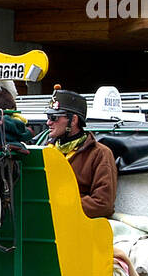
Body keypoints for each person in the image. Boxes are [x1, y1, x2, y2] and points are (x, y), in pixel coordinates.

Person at [42, 88, 117, 219]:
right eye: (48, 117)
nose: (49, 122)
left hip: (77, 225)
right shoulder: (45, 149)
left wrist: (60, 206)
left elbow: (103, 204)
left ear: (74, 120)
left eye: (54, 117)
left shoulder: (100, 154)